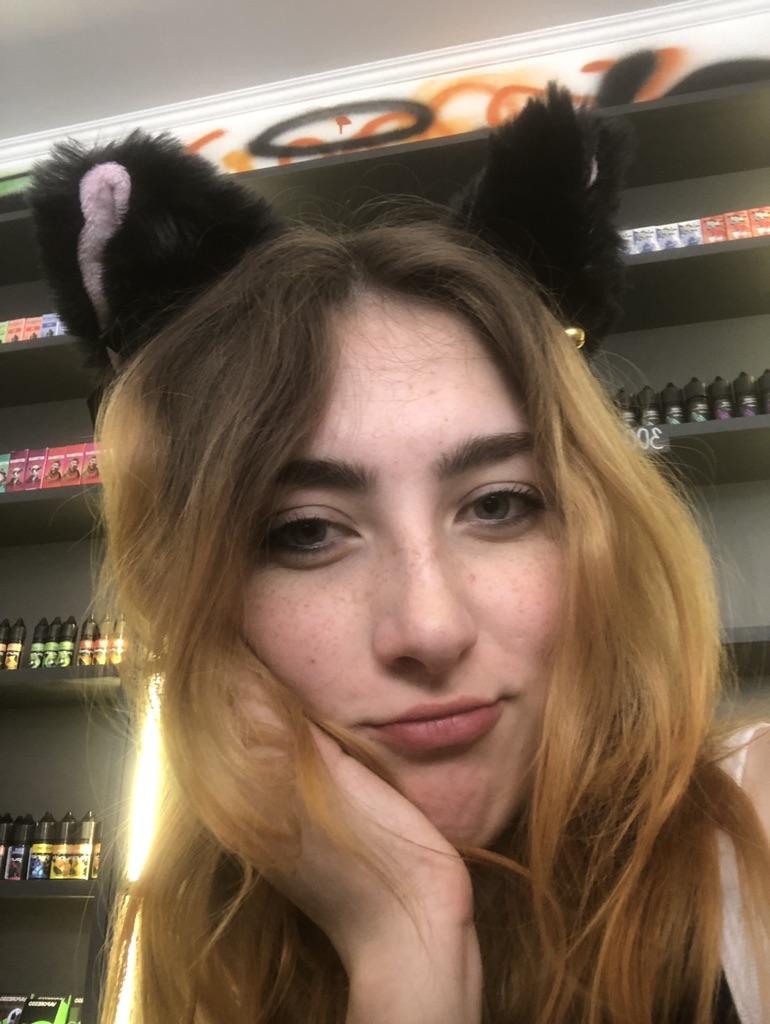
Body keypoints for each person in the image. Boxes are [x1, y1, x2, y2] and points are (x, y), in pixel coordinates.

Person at [28, 85, 770, 1024]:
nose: (429, 627)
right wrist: (406, 936)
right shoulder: (206, 943)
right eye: (305, 531)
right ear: (203, 594)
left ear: (595, 526)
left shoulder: (754, 826)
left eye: (499, 505)